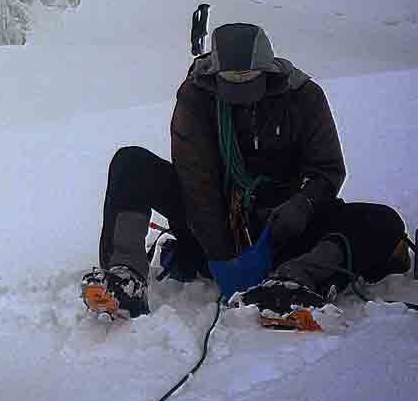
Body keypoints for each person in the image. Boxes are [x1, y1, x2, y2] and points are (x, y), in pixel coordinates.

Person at [81, 22, 411, 321]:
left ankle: (294, 281)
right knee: (131, 164)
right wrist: (223, 256)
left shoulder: (304, 97)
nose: (239, 93)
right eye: (230, 82)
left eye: (249, 81)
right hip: (211, 227)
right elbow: (197, 180)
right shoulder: (198, 95)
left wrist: (303, 204)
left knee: (382, 221)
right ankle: (124, 280)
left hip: (283, 228)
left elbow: (326, 170)